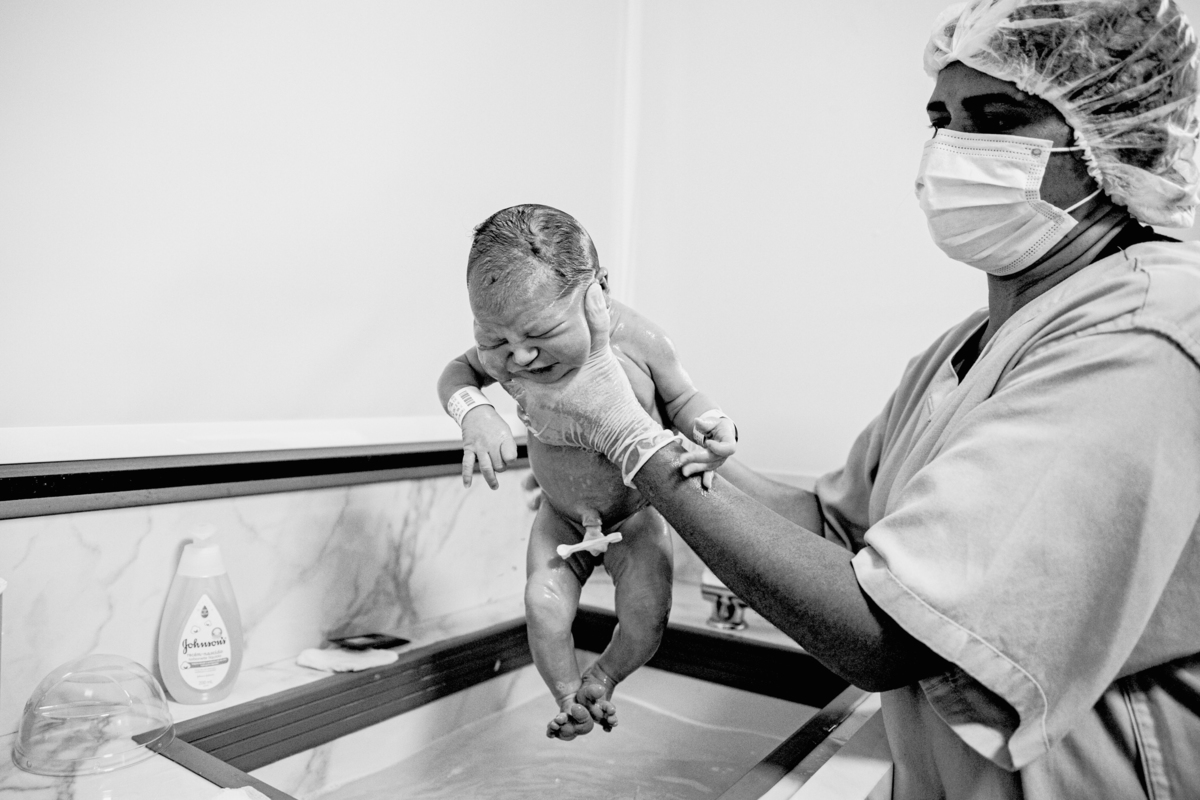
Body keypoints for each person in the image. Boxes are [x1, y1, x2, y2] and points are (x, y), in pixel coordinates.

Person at [500, 1, 1200, 796]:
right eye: (942, 118)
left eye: (998, 117)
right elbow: (832, 529)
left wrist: (637, 446)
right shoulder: (970, 343)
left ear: (1118, 138)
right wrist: (647, 429)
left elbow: (885, 636)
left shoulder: (1144, 335)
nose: (953, 147)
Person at [437, 204, 737, 740]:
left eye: (542, 333)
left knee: (646, 613)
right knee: (541, 603)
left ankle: (606, 675)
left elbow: (684, 396)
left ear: (597, 291)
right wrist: (474, 412)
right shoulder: (512, 343)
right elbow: (457, 373)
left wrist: (710, 424)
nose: (520, 356)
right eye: (495, 340)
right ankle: (567, 697)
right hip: (558, 516)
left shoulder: (641, 341)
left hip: (636, 515)